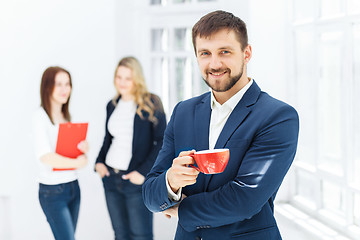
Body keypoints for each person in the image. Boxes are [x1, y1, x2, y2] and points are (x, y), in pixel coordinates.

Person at [142, 10, 299, 240]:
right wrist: (171, 182)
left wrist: (181, 209)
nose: (214, 63)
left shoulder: (278, 116)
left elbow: (245, 199)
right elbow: (149, 193)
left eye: (224, 52)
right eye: (205, 53)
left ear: (247, 53)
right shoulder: (183, 112)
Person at [95, 56, 166, 240]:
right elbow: (108, 139)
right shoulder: (112, 105)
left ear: (137, 79)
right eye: (119, 77)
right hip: (111, 178)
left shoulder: (151, 103)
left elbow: (162, 142)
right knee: (120, 235)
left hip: (135, 181)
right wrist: (99, 162)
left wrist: (143, 173)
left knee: (141, 235)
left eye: (128, 78)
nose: (122, 82)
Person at [32, 66, 89, 240]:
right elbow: (46, 156)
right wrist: (79, 163)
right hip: (52, 191)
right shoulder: (40, 117)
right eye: (59, 84)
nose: (65, 89)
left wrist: (83, 149)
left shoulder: (66, 117)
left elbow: (66, 152)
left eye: (67, 84)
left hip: (73, 186)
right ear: (47, 87)